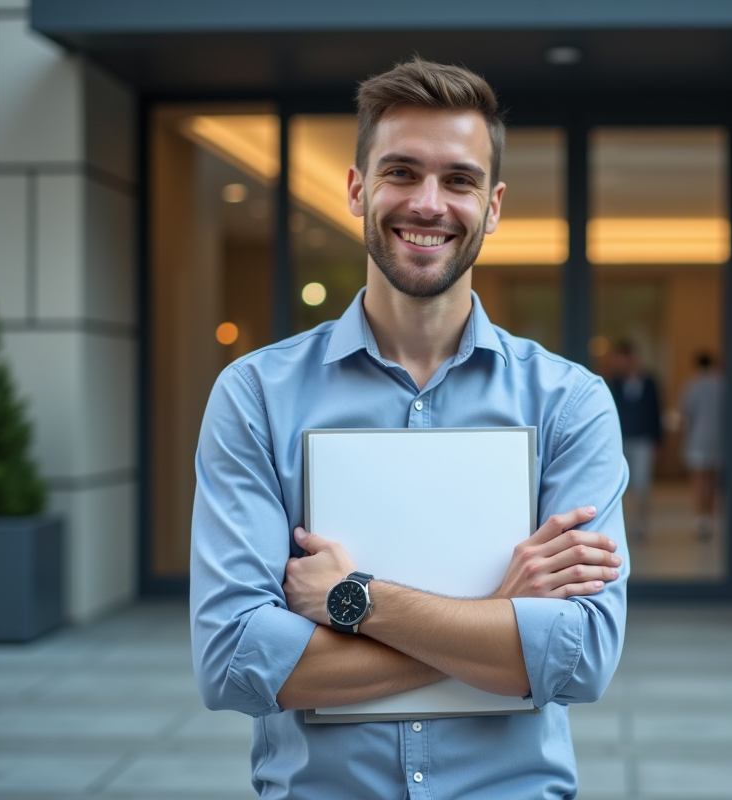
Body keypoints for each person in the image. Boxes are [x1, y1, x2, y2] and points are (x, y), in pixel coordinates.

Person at [190, 58, 629, 799]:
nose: (428, 203)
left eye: (458, 180)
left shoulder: (569, 402)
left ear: (491, 207)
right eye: (402, 172)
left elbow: (580, 659)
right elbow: (235, 663)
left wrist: (354, 601)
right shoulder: (256, 396)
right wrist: (497, 617)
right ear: (359, 189)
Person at [607, 340, 663, 538]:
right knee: (620, 484)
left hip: (643, 439)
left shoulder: (649, 382)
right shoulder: (614, 382)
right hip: (621, 440)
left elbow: (656, 411)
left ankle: (640, 524)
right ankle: (621, 525)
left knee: (641, 483)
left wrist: (657, 440)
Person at [680, 351, 725, 539]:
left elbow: (686, 415)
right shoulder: (721, 385)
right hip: (718, 439)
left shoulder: (692, 385)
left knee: (699, 481)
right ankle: (710, 518)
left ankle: (700, 520)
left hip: (698, 438)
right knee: (712, 482)